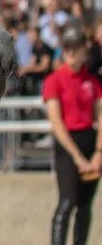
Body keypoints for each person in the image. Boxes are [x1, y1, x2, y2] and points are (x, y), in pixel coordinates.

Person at [44, 26, 102, 245]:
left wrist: (98, 152)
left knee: (85, 204)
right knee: (67, 201)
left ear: (83, 50)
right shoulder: (54, 80)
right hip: (67, 145)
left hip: (90, 141)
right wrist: (78, 158)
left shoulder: (93, 81)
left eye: (74, 47)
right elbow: (56, 122)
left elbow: (101, 116)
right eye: (67, 47)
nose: (70, 51)